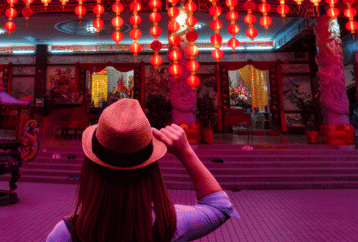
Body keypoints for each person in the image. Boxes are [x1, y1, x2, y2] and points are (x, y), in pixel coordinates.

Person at [45, 99, 237, 242]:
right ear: (151, 170)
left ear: (90, 168)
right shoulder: (170, 225)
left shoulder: (66, 234)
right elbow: (220, 207)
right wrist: (186, 153)